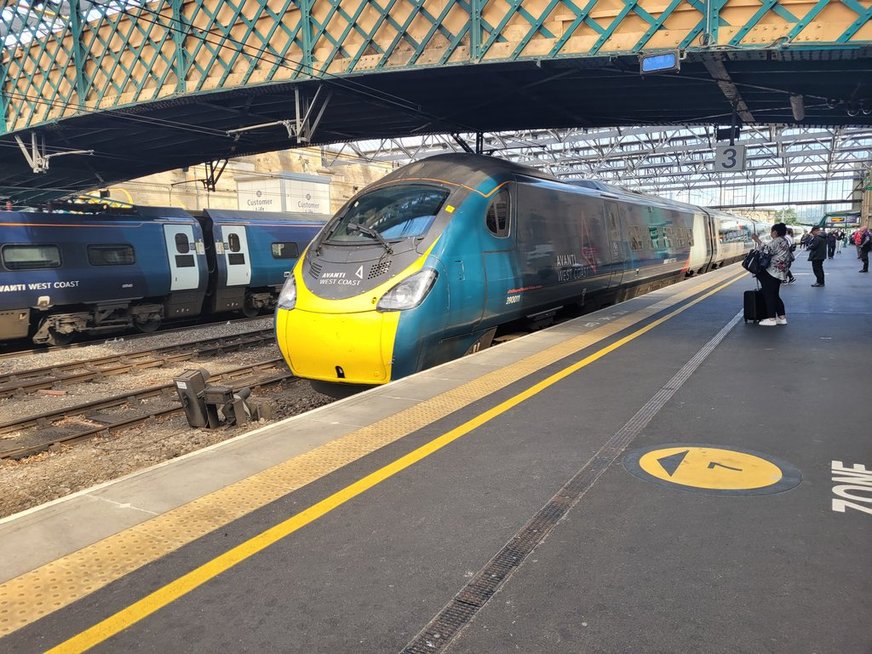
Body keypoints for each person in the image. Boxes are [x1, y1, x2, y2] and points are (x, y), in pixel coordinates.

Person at [750, 222, 792, 326]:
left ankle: (771, 318)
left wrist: (757, 240)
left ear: (775, 232)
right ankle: (782, 318)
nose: (771, 233)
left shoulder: (777, 241)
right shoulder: (785, 241)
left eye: (771, 231)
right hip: (780, 272)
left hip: (771, 272)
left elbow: (766, 250)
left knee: (769, 295)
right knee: (775, 294)